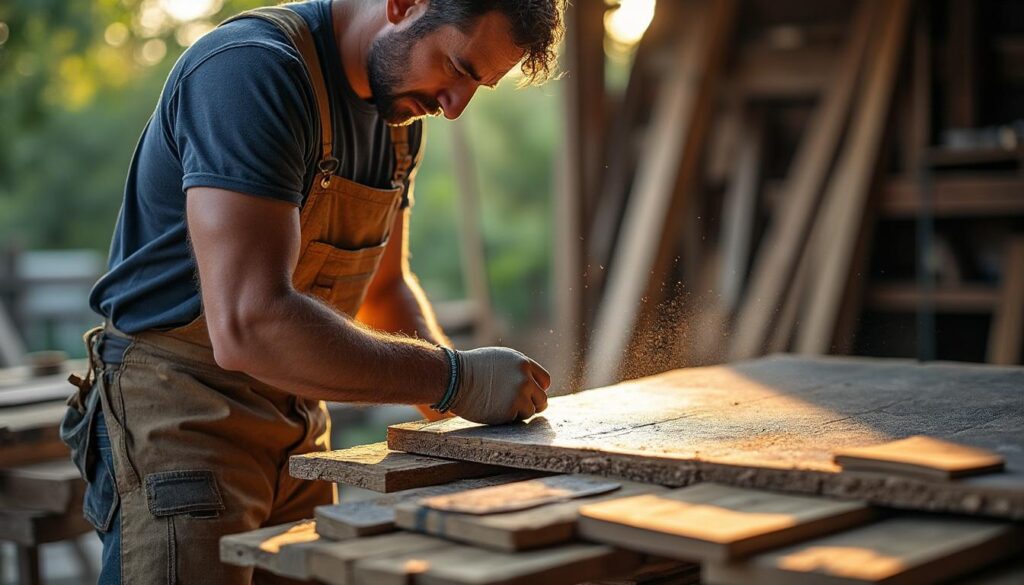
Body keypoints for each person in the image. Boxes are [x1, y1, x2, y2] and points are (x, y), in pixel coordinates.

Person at [59, 1, 564, 582]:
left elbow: (386, 292)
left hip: (297, 428)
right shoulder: (250, 73)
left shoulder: (398, 119)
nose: (455, 106)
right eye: (458, 66)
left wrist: (471, 428)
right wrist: (456, 379)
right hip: (180, 419)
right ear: (403, 5)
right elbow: (250, 326)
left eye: (480, 86)